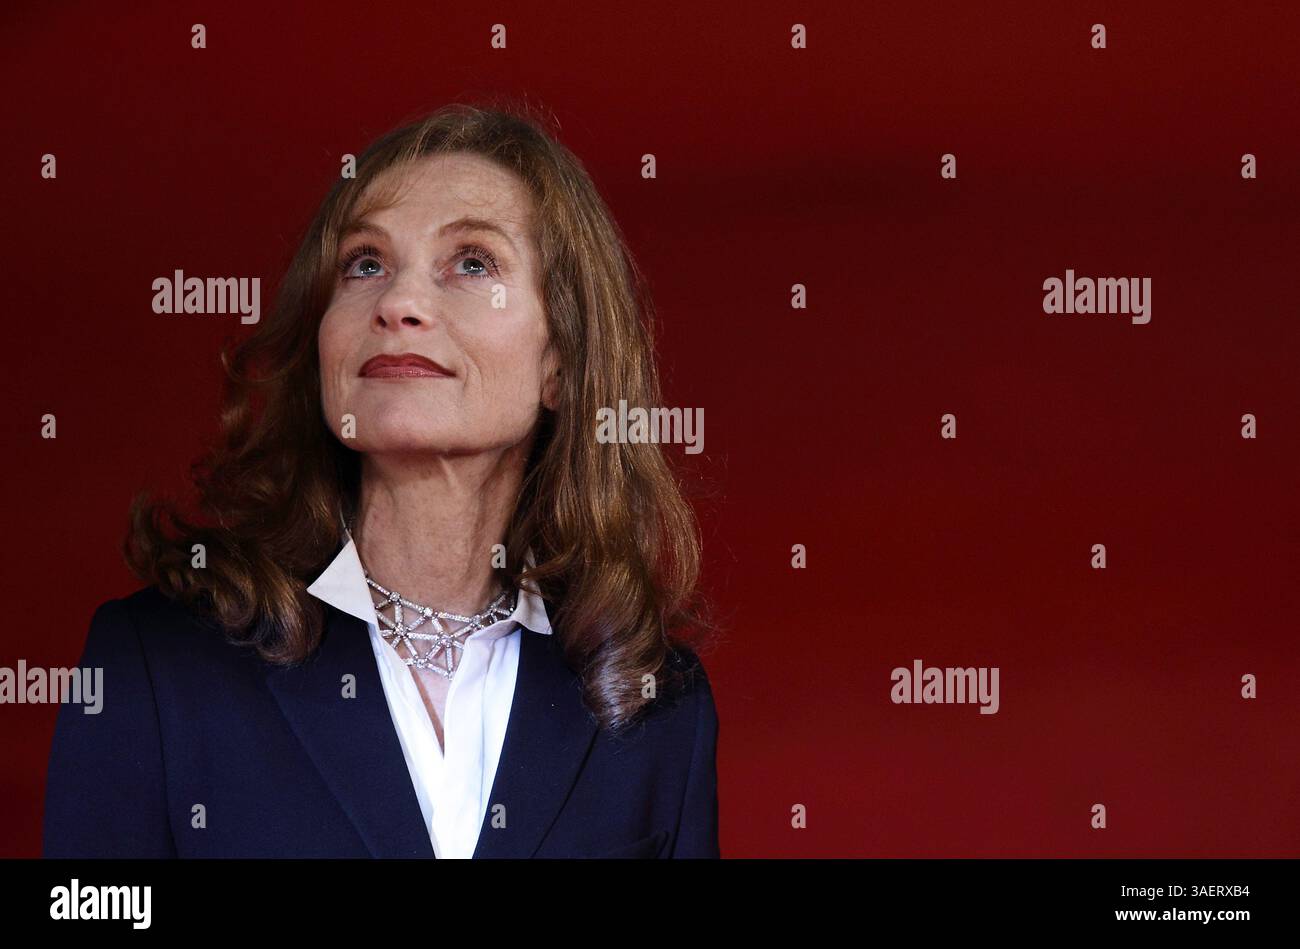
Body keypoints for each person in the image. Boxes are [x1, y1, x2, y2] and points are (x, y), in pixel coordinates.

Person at [43, 103, 719, 859]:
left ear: (560, 361)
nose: (397, 303)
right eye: (365, 263)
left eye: (472, 263)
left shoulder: (657, 702)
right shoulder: (154, 663)